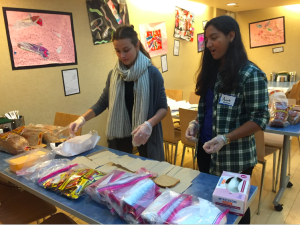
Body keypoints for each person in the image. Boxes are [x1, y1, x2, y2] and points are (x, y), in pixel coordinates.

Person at [185, 16, 269, 224]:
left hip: (233, 159)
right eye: (207, 39)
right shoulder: (212, 71)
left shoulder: (250, 74)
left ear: (231, 36)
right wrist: (196, 123)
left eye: (214, 38)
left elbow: (260, 118)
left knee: (234, 212)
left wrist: (226, 138)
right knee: (209, 206)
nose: (209, 44)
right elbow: (210, 109)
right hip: (206, 152)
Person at [69, 25, 167, 161]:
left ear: (137, 45)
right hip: (121, 135)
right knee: (122, 171)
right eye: (117, 51)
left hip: (145, 134)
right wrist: (82, 119)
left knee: (149, 173)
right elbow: (103, 102)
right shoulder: (114, 75)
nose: (122, 56)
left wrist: (148, 124)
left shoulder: (152, 74)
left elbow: (163, 108)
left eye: (126, 50)